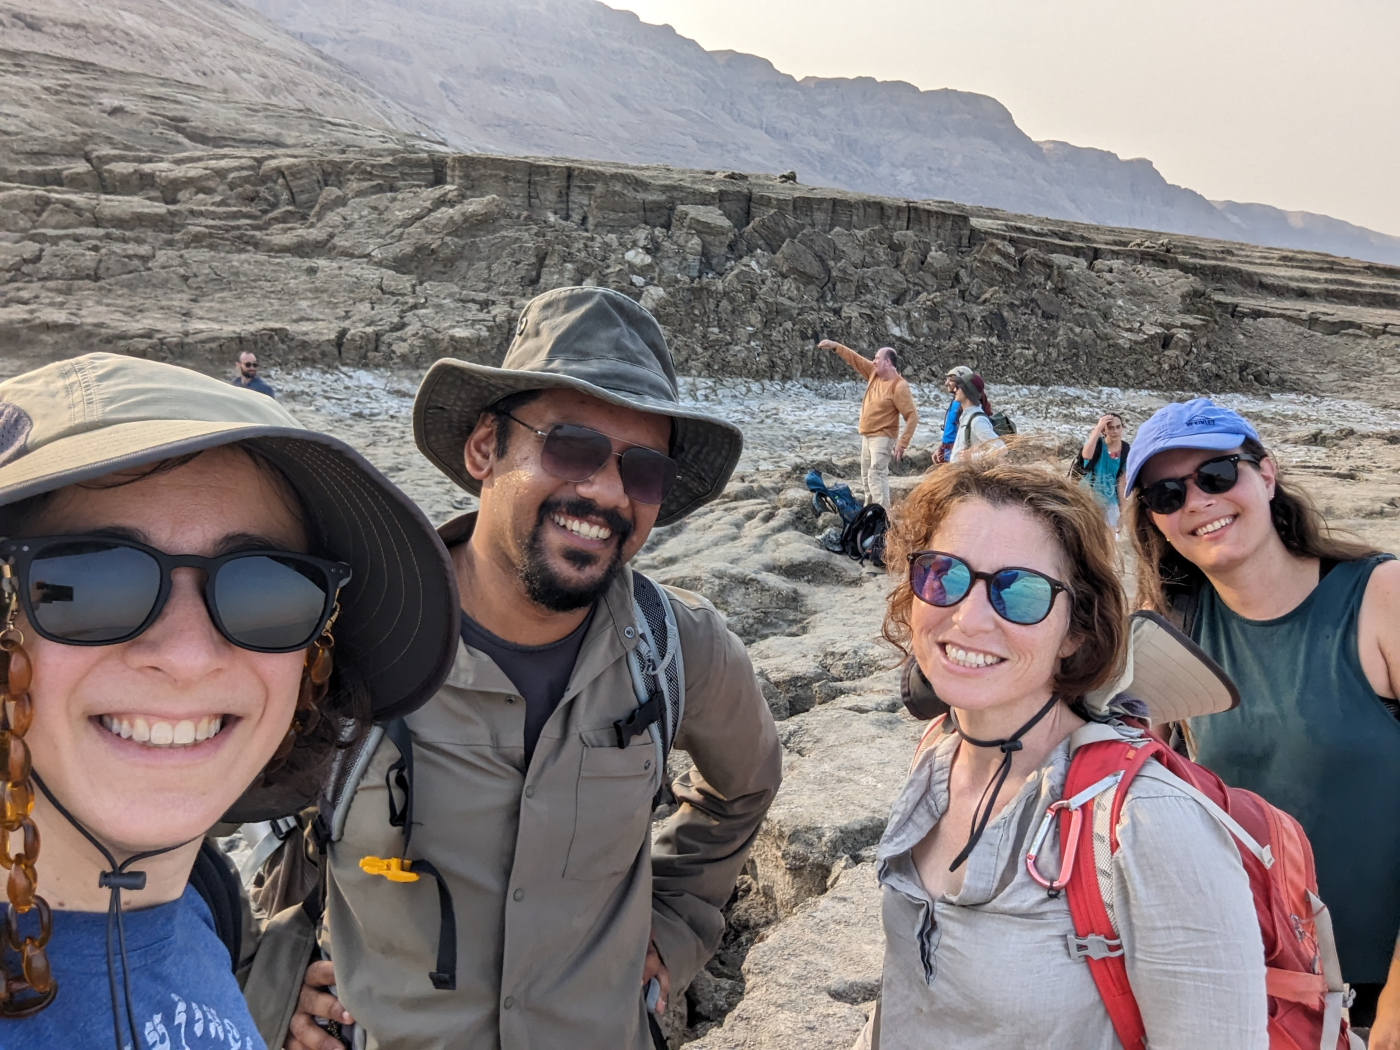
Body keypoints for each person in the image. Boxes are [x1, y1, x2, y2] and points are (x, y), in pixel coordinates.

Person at [281, 287, 782, 1050]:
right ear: (485, 448)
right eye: (572, 446)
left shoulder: (681, 651)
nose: (607, 491)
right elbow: (186, 817)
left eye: (643, 470)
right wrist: (267, 974)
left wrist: (676, 924)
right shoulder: (345, 639)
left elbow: (744, 787)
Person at [0, 354, 457, 1049]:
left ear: (314, 657)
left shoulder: (205, 903)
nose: (188, 656)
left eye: (266, 591)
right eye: (89, 582)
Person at [857, 457, 1268, 1049]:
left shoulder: (1151, 823)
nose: (968, 619)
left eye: (1019, 591)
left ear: (1076, 630)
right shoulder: (939, 753)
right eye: (943, 573)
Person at [1125, 397, 1400, 1039]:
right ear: (1156, 521)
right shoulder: (1170, 629)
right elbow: (1124, 787)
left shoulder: (1379, 595)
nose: (1198, 501)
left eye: (1218, 474)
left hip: (1379, 996)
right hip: (1247, 992)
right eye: (1167, 494)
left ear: (1266, 475)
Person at [819, 339, 918, 507]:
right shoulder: (874, 373)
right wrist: (835, 346)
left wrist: (902, 443)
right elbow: (855, 359)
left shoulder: (899, 386)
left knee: (876, 474)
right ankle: (869, 510)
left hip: (883, 438)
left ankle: (882, 514)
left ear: (887, 362)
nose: (873, 361)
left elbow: (912, 416)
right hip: (867, 436)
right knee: (866, 476)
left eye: (877, 358)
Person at [1072, 413, 1130, 529]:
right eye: (1110, 428)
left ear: (1122, 427)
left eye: (1118, 427)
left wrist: (1123, 511)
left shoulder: (1126, 450)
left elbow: (1122, 483)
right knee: (1087, 533)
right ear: (1104, 431)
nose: (1115, 431)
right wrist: (1098, 428)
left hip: (1110, 500)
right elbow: (1086, 455)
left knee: (1110, 536)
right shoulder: (1096, 444)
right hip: (1087, 496)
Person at [946, 370, 1002, 462]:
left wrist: (972, 457)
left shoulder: (977, 420)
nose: (954, 390)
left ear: (967, 391)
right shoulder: (966, 416)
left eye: (958, 387)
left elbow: (1001, 449)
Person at [936, 367, 969, 463]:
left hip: (957, 454)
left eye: (951, 380)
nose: (946, 383)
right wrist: (942, 447)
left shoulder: (965, 404)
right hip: (948, 451)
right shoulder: (955, 401)